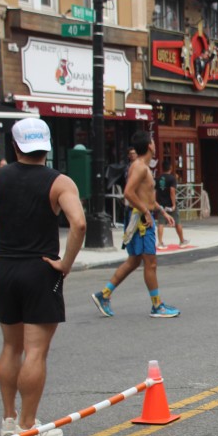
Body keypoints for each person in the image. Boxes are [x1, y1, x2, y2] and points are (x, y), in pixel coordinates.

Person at [0, 117, 86, 436]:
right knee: (35, 351)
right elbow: (79, 224)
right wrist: (65, 263)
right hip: (40, 270)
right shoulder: (59, 182)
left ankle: (9, 420)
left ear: (16, 146)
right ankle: (28, 427)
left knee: (11, 347)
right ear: (46, 146)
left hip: (6, 269)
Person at [90, 131, 180, 318]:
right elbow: (128, 193)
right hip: (141, 221)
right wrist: (146, 211)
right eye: (153, 142)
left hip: (139, 217)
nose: (155, 144)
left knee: (133, 261)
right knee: (150, 263)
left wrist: (162, 211)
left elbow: (145, 196)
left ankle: (104, 294)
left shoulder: (141, 167)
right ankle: (157, 306)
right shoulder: (140, 167)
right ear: (149, 146)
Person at [155, 159, 186, 249]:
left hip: (161, 203)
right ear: (171, 168)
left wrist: (155, 202)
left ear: (162, 168)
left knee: (161, 223)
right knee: (177, 221)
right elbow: (172, 191)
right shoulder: (172, 178)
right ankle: (182, 241)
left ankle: (160, 242)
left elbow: (155, 191)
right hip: (170, 203)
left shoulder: (157, 178)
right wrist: (174, 204)